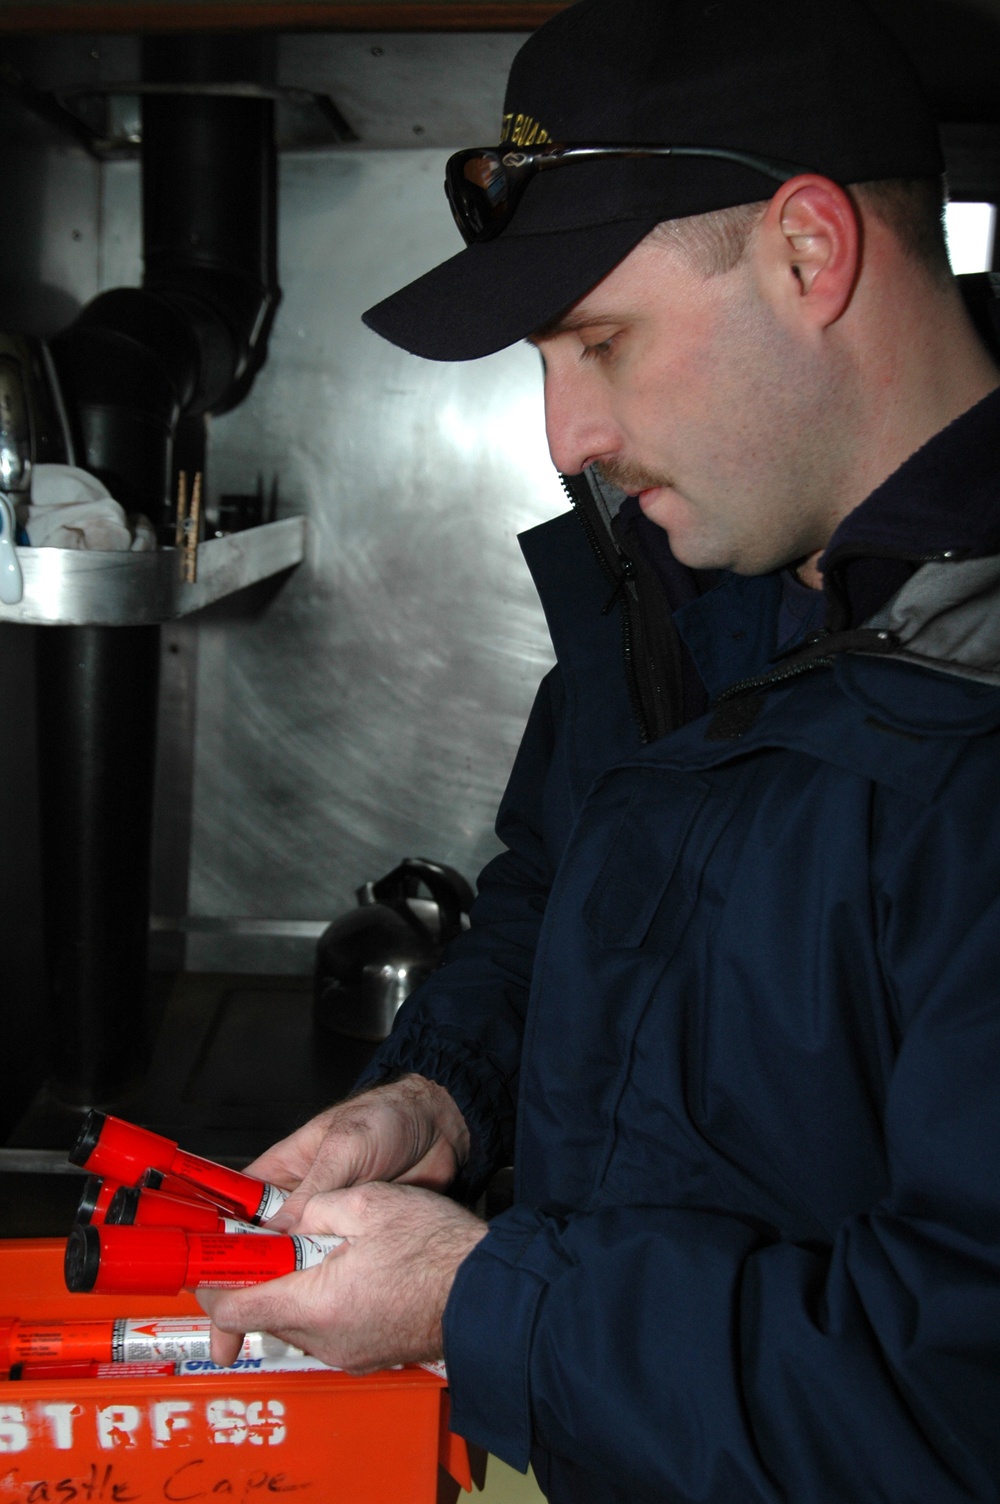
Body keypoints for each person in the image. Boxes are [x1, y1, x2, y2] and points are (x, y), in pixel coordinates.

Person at [199, 1, 1000, 1499]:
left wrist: (477, 1298)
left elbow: (957, 1399)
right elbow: (560, 898)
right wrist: (442, 1094)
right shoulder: (692, 587)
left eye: (600, 342)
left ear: (810, 252)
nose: (566, 433)